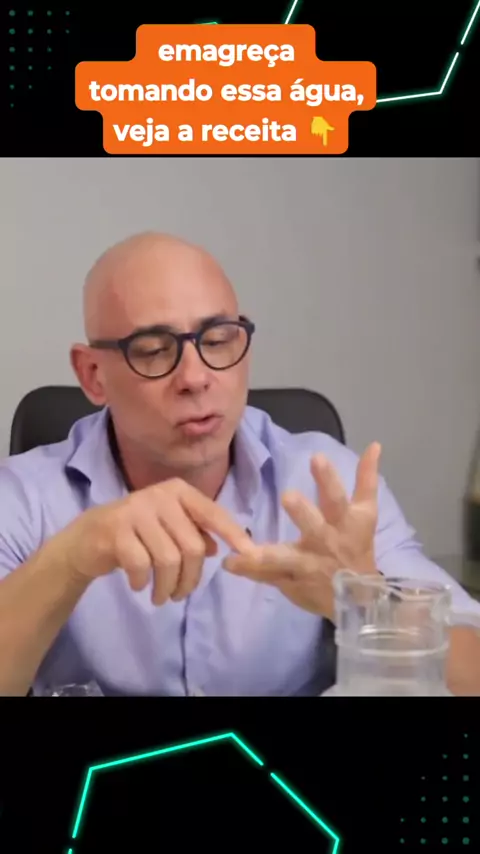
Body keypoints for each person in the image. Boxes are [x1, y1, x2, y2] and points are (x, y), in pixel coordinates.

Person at [0, 232, 479, 697]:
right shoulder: (24, 498)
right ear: (93, 375)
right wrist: (71, 558)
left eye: (217, 340)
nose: (195, 377)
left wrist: (364, 601)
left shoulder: (329, 485)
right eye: (153, 350)